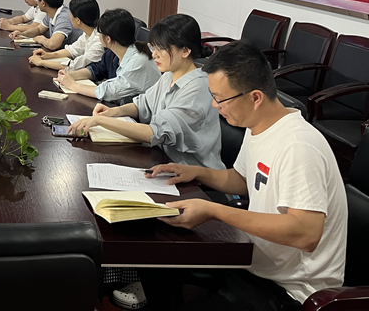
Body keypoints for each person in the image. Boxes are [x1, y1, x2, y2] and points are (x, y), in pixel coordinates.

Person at [139, 41, 348, 310]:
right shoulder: (258, 125)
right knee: (157, 262)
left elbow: (305, 233)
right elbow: (242, 180)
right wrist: (195, 172)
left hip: (291, 290)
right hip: (252, 260)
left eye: (220, 98)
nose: (214, 105)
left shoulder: (298, 146)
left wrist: (214, 210)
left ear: (255, 97)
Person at [68, 14, 223, 169]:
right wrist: (114, 112)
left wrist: (100, 121)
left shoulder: (198, 88)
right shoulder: (169, 75)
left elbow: (154, 133)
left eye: (161, 49)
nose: (154, 54)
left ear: (185, 51)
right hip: (163, 161)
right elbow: (142, 104)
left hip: (194, 175)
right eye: (153, 47)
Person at [55, 8, 159, 101]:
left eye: (99, 32)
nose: (98, 35)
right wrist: (71, 75)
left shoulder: (138, 61)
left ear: (108, 39)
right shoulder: (113, 51)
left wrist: (73, 85)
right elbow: (98, 69)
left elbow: (109, 92)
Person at [29, 0, 104, 71]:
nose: (69, 16)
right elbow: (72, 50)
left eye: (70, 14)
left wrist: (42, 62)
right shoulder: (87, 34)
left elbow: (74, 66)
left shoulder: (99, 41)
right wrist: (48, 55)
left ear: (78, 20)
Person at [9, 0, 80, 49]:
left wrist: (41, 39)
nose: (36, 2)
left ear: (43, 3)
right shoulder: (51, 13)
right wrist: (23, 34)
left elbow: (53, 45)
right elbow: (39, 29)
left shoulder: (63, 17)